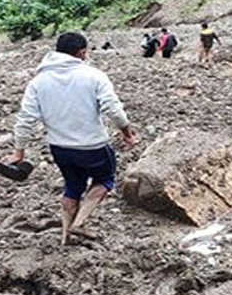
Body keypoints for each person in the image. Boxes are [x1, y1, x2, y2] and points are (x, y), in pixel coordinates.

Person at [10, 32, 138, 245]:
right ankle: (80, 222)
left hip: (60, 148)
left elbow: (26, 119)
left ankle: (65, 238)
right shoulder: (94, 76)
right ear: (81, 52)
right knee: (104, 180)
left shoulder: (38, 82)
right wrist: (127, 134)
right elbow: (113, 110)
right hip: (93, 146)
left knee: (72, 186)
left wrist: (19, 151)